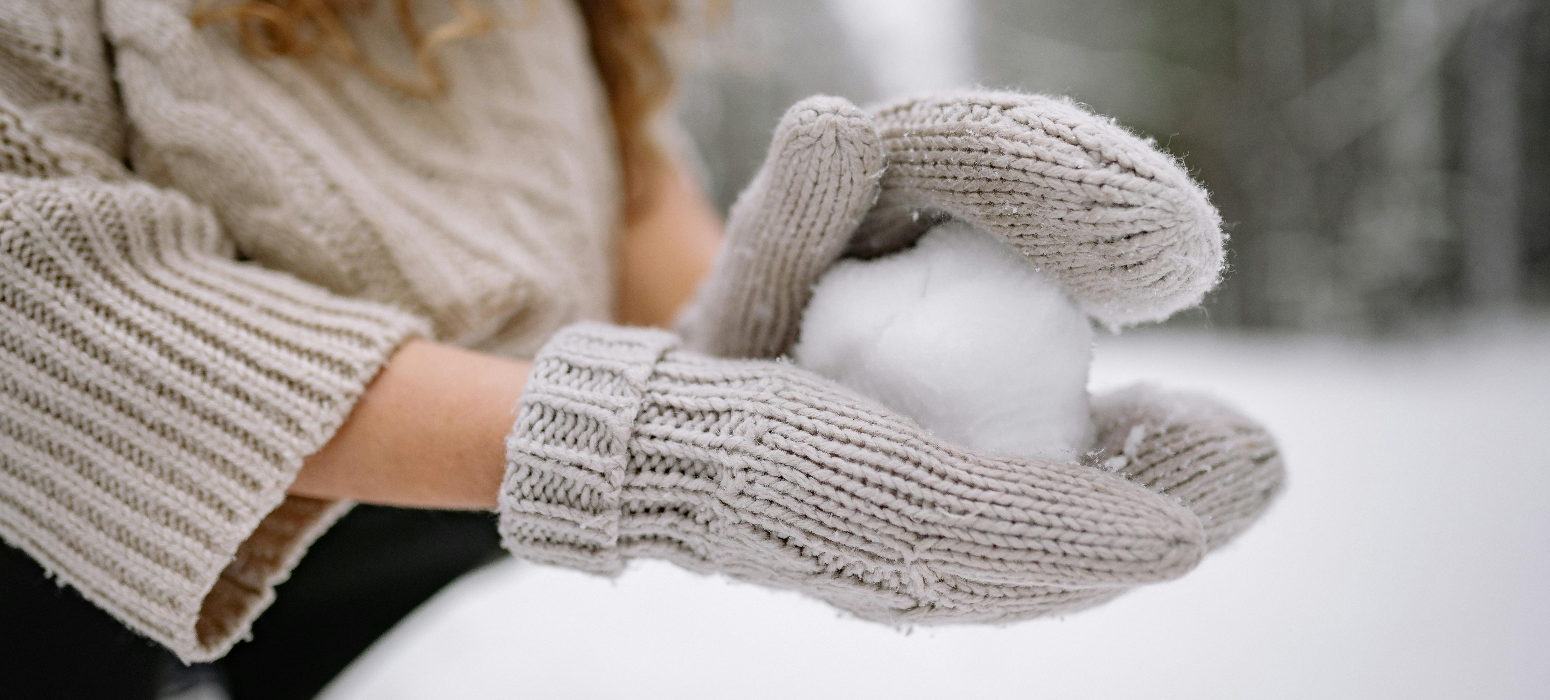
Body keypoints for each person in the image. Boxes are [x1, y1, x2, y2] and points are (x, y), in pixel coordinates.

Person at [0, 1, 1283, 698]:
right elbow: (42, 286)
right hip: (84, 553)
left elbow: (639, 221)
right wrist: (659, 451)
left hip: (453, 538)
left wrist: (806, 315)